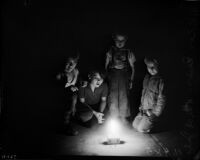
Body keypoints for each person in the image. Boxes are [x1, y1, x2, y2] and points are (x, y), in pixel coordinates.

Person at [105, 33, 136, 124]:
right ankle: (113, 116)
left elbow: (133, 67)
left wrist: (131, 80)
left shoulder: (128, 52)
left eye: (122, 41)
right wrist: (107, 76)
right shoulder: (111, 50)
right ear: (114, 40)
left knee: (124, 96)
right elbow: (106, 65)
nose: (119, 43)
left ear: (125, 41)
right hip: (113, 75)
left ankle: (123, 116)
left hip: (124, 75)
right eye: (117, 40)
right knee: (113, 95)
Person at [132, 57, 166, 133]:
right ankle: (146, 122)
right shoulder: (147, 78)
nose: (151, 69)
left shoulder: (160, 80)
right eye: (149, 67)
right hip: (145, 110)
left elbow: (162, 99)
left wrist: (155, 114)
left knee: (141, 129)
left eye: (153, 67)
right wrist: (141, 106)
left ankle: (158, 124)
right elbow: (143, 93)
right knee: (135, 125)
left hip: (152, 112)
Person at [56, 55, 79, 135]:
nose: (68, 66)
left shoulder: (75, 71)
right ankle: (66, 126)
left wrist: (82, 83)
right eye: (66, 63)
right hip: (64, 98)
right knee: (69, 106)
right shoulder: (60, 75)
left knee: (87, 113)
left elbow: (77, 83)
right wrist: (69, 88)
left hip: (74, 98)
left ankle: (73, 118)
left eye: (71, 64)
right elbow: (58, 89)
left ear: (75, 64)